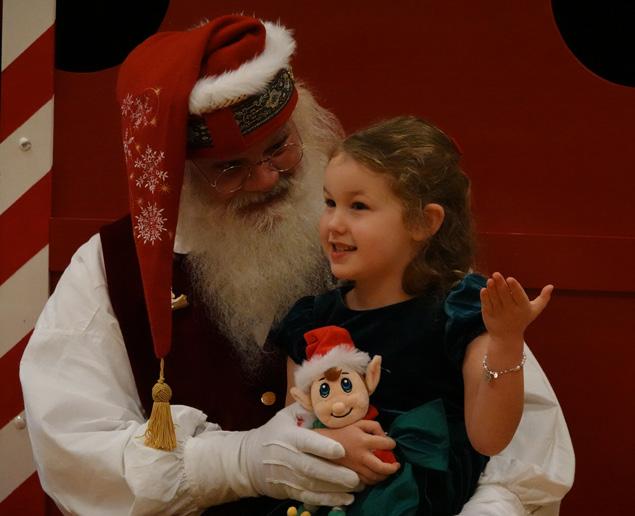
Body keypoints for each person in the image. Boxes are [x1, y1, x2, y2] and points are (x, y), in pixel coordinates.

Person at [19, 13, 573, 516]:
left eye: (280, 148)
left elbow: (523, 446)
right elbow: (73, 448)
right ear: (180, 178)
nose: (265, 180)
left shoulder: (382, 237)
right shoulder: (110, 269)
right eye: (230, 169)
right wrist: (237, 462)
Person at [271, 116, 571, 515]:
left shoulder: (457, 312)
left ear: (424, 222)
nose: (334, 224)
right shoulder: (310, 320)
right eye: (330, 203)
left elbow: (489, 438)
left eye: (358, 206)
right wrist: (332, 444)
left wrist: (506, 341)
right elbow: (294, 431)